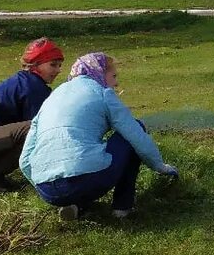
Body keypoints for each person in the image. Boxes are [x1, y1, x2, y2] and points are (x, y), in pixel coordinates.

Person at [20, 53, 177, 220]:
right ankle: (122, 208)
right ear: (99, 72)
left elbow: (24, 160)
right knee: (133, 130)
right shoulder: (103, 93)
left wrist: (43, 180)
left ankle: (76, 203)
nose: (116, 83)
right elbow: (136, 136)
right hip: (87, 179)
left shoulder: (51, 99)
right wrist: (159, 166)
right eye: (114, 76)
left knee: (86, 155)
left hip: (47, 189)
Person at [0, 38, 65, 191]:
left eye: (59, 65)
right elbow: (44, 131)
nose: (58, 70)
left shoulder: (22, 80)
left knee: (22, 130)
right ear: (35, 65)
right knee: (33, 130)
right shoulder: (33, 87)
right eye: (52, 65)